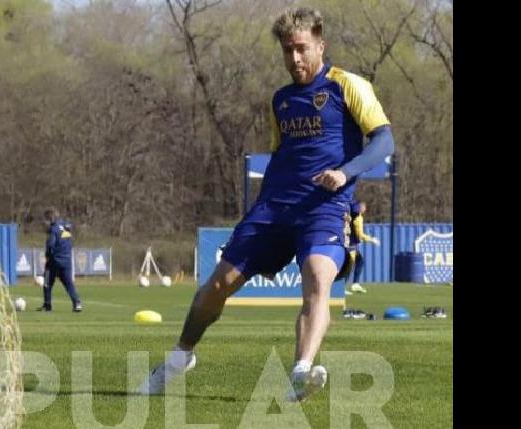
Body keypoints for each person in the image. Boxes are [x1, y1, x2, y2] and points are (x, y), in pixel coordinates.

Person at [137, 7, 395, 402]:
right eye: (287, 51)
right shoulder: (281, 101)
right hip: (274, 209)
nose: (294, 59)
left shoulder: (349, 86)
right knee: (219, 284)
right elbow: (280, 157)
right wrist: (258, 212)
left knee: (316, 277)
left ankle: (301, 372)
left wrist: (345, 173)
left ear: (320, 45)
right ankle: (178, 359)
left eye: (301, 49)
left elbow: (383, 141)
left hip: (325, 207)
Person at [37, 209, 83, 312]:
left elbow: (51, 245)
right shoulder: (66, 226)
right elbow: (70, 241)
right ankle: (77, 303)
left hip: (55, 260)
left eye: (45, 220)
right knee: (68, 283)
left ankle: (47, 305)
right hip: (66, 260)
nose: (44, 223)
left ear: (50, 219)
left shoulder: (54, 230)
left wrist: (48, 255)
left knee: (47, 282)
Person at [346, 200, 380, 294]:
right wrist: (372, 239)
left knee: (359, 261)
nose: (365, 209)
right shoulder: (357, 217)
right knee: (350, 264)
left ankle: (355, 284)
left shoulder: (349, 215)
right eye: (364, 207)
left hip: (348, 243)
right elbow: (359, 234)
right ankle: (344, 287)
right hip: (350, 244)